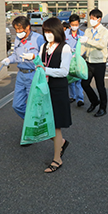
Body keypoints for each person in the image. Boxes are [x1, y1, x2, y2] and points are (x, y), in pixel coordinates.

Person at [37, 17, 72, 173]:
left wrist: (46, 70)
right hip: (45, 88)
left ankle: (57, 159)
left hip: (58, 89)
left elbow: (64, 71)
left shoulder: (65, 48)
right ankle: (62, 143)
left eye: (50, 31)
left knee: (55, 125)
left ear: (57, 31)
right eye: (45, 31)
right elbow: (41, 63)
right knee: (44, 123)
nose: (47, 34)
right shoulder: (44, 46)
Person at [1, 16, 46, 119]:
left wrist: (35, 57)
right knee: (17, 105)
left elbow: (46, 56)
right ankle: (30, 121)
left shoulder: (38, 38)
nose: (18, 32)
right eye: (16, 29)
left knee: (34, 105)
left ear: (27, 27)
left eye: (20, 29)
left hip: (33, 74)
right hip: (21, 75)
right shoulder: (17, 39)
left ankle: (36, 127)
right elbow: (15, 56)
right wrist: (8, 59)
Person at [80, 8, 108, 117]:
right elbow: (84, 45)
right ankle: (94, 101)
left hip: (99, 63)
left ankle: (103, 108)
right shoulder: (88, 31)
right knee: (84, 83)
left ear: (99, 19)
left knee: (100, 86)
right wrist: (77, 54)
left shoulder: (104, 31)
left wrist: (88, 40)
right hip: (89, 61)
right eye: (90, 18)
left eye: (93, 18)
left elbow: (102, 45)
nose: (91, 20)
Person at [65, 14, 85, 107]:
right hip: (68, 59)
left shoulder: (82, 34)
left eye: (76, 24)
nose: (74, 26)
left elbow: (85, 47)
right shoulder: (65, 34)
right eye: (72, 24)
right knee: (70, 79)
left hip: (78, 60)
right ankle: (72, 96)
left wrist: (80, 53)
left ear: (78, 24)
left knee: (78, 80)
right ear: (70, 24)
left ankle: (80, 99)